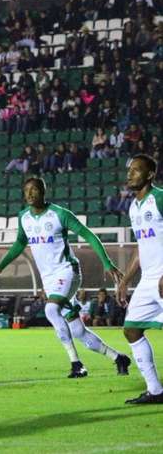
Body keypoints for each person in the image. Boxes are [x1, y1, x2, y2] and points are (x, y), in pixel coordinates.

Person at [0, 177, 131, 378]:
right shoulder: (23, 217)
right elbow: (20, 243)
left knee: (51, 309)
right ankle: (119, 358)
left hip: (67, 272)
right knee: (78, 332)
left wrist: (107, 263)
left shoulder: (60, 214)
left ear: (43, 192)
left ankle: (76, 364)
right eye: (26, 190)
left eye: (34, 190)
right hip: (50, 280)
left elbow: (88, 235)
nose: (29, 194)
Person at [117, 154, 163, 404]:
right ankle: (156, 391)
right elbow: (141, 247)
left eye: (136, 170)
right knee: (132, 330)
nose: (130, 174)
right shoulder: (134, 207)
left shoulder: (159, 198)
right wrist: (125, 280)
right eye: (129, 170)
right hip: (148, 281)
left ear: (150, 175)